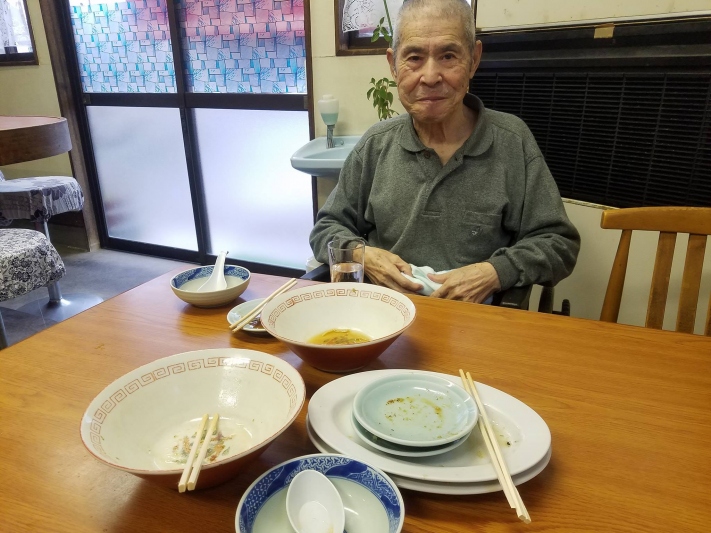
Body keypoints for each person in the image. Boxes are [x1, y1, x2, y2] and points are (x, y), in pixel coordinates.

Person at [310, 0, 580, 303]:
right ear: (393, 65)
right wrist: (366, 257)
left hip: (474, 326)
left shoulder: (511, 141)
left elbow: (558, 243)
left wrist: (494, 272)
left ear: (474, 59)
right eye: (414, 57)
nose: (430, 76)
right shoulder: (376, 144)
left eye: (448, 56)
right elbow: (326, 229)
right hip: (382, 319)